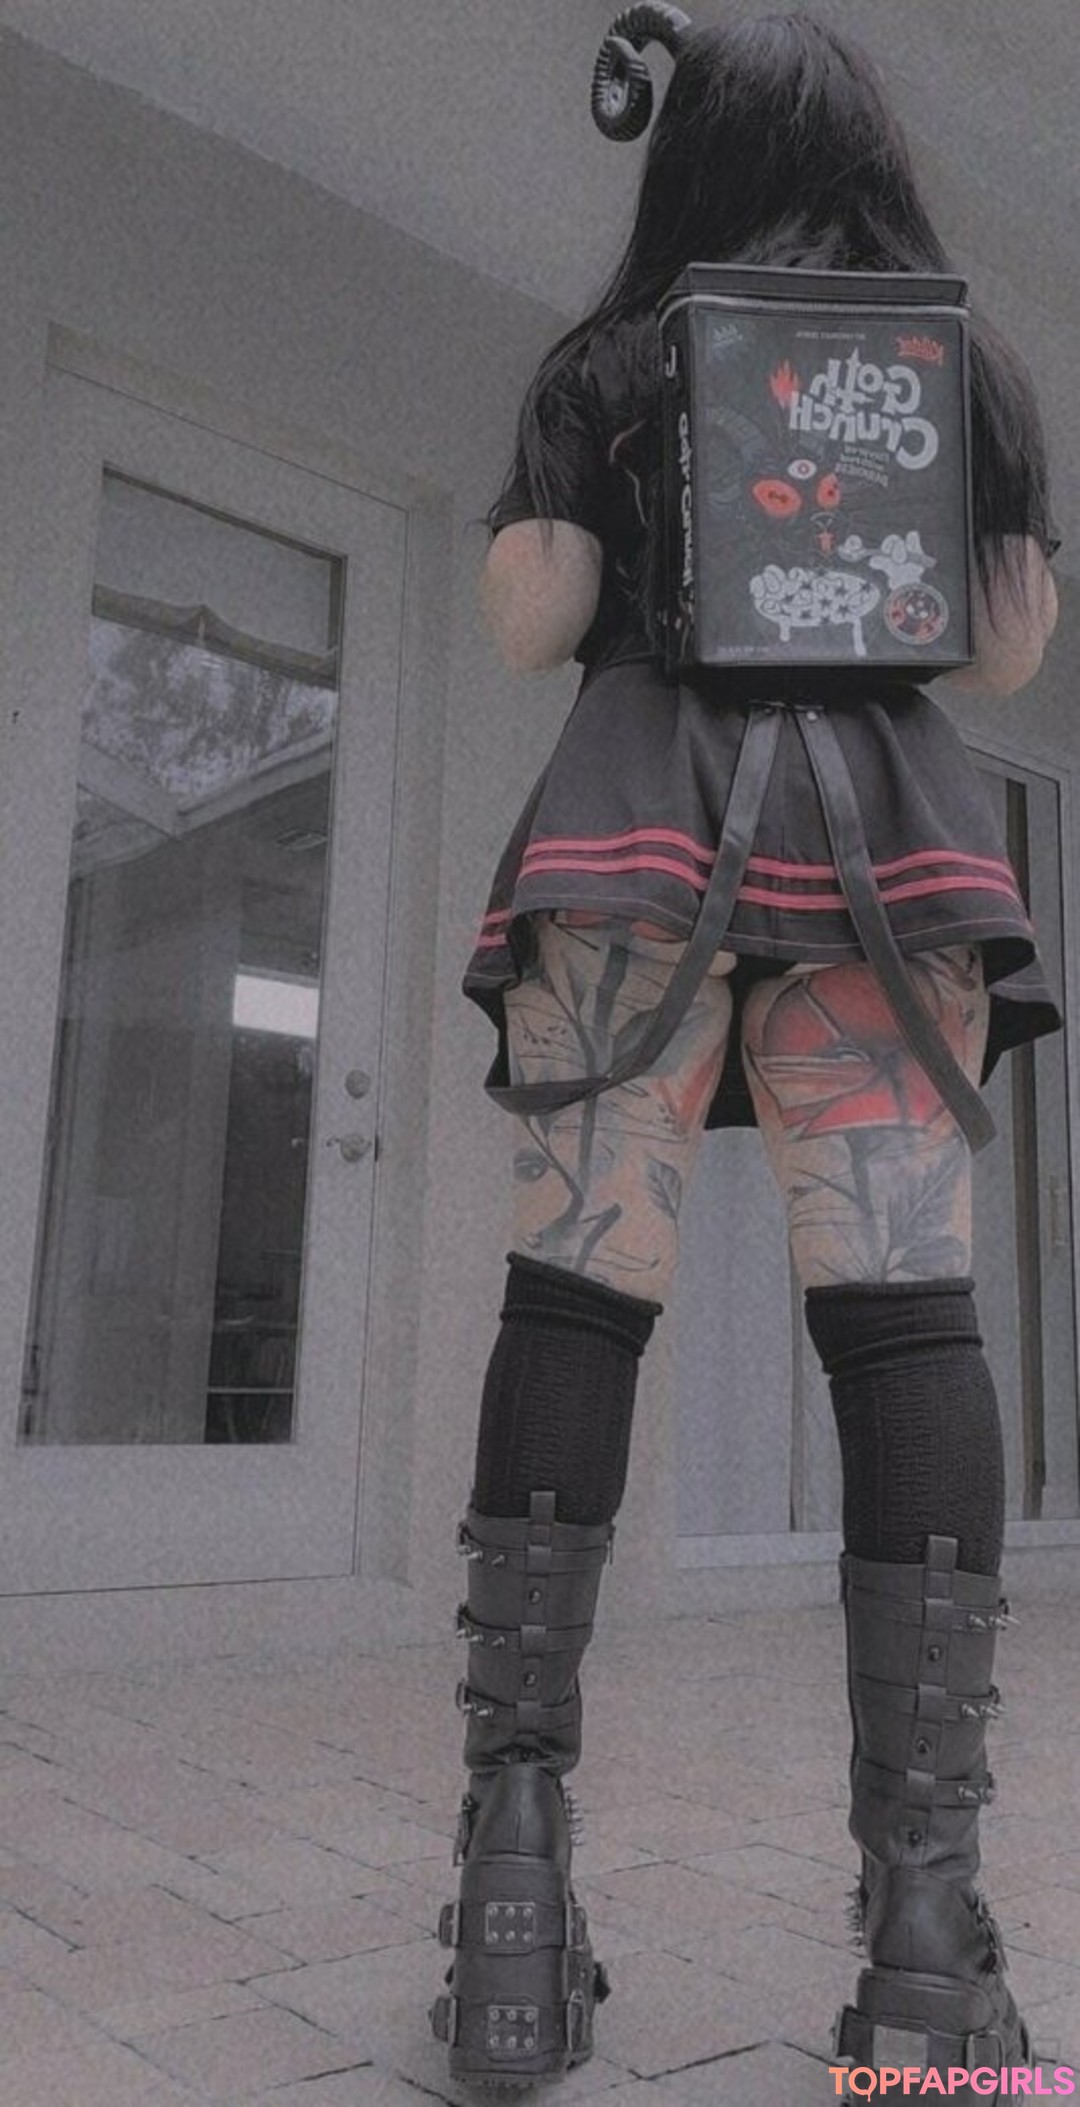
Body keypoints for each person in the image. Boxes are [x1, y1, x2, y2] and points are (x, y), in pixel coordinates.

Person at [430, 8, 1060, 2095]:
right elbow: (1006, 649)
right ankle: (924, 1948)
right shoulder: (967, 368)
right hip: (889, 838)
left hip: (637, 821)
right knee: (904, 1316)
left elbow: (532, 616)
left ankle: (511, 1899)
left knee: (573, 1292)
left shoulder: (609, 360)